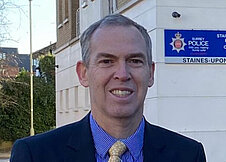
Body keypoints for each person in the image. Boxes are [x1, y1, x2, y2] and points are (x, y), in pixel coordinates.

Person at [10, 14, 206, 162]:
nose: (122, 73)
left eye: (135, 60)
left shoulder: (188, 154)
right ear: (83, 73)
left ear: (151, 73)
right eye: (106, 61)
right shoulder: (35, 155)